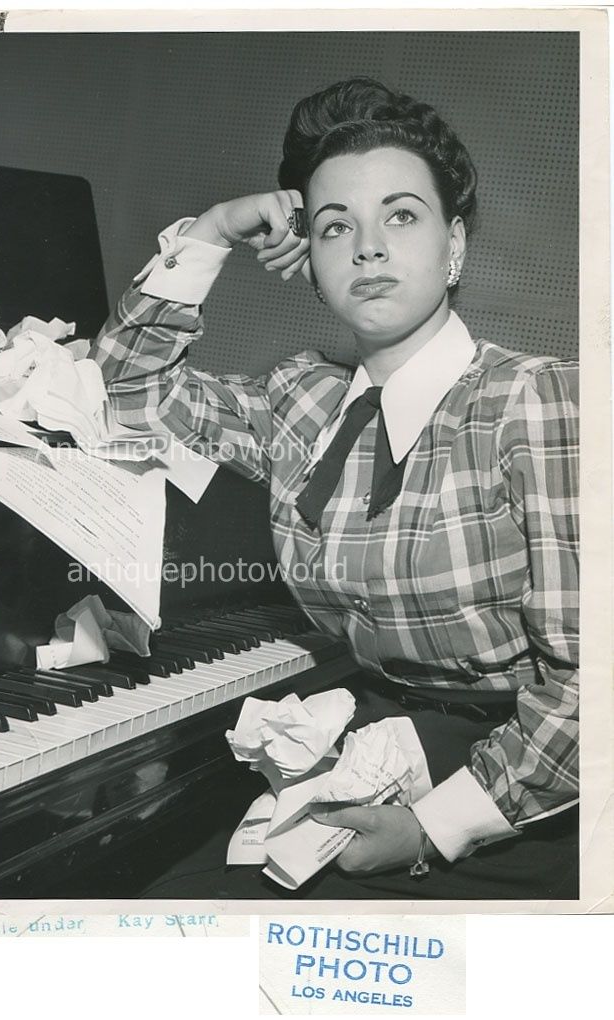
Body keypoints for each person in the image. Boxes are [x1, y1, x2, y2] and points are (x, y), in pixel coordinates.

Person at [90, 77, 579, 900]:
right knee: (164, 909)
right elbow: (124, 394)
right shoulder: (303, 398)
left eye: (401, 215)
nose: (369, 249)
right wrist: (211, 233)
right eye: (334, 228)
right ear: (310, 265)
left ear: (454, 244)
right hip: (377, 748)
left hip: (530, 786)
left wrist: (434, 827)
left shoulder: (538, 400)